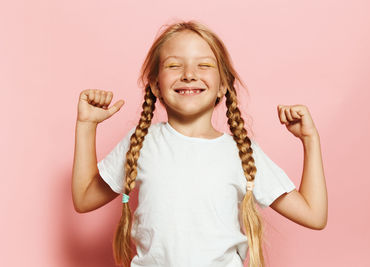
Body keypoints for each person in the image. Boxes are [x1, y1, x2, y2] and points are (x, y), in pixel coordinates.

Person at [72, 20, 328, 267]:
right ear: (156, 85)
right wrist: (86, 126)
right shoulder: (142, 142)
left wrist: (310, 140)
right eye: (174, 65)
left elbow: (313, 215)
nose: (189, 74)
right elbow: (84, 198)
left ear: (223, 86)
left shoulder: (242, 152)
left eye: (204, 65)